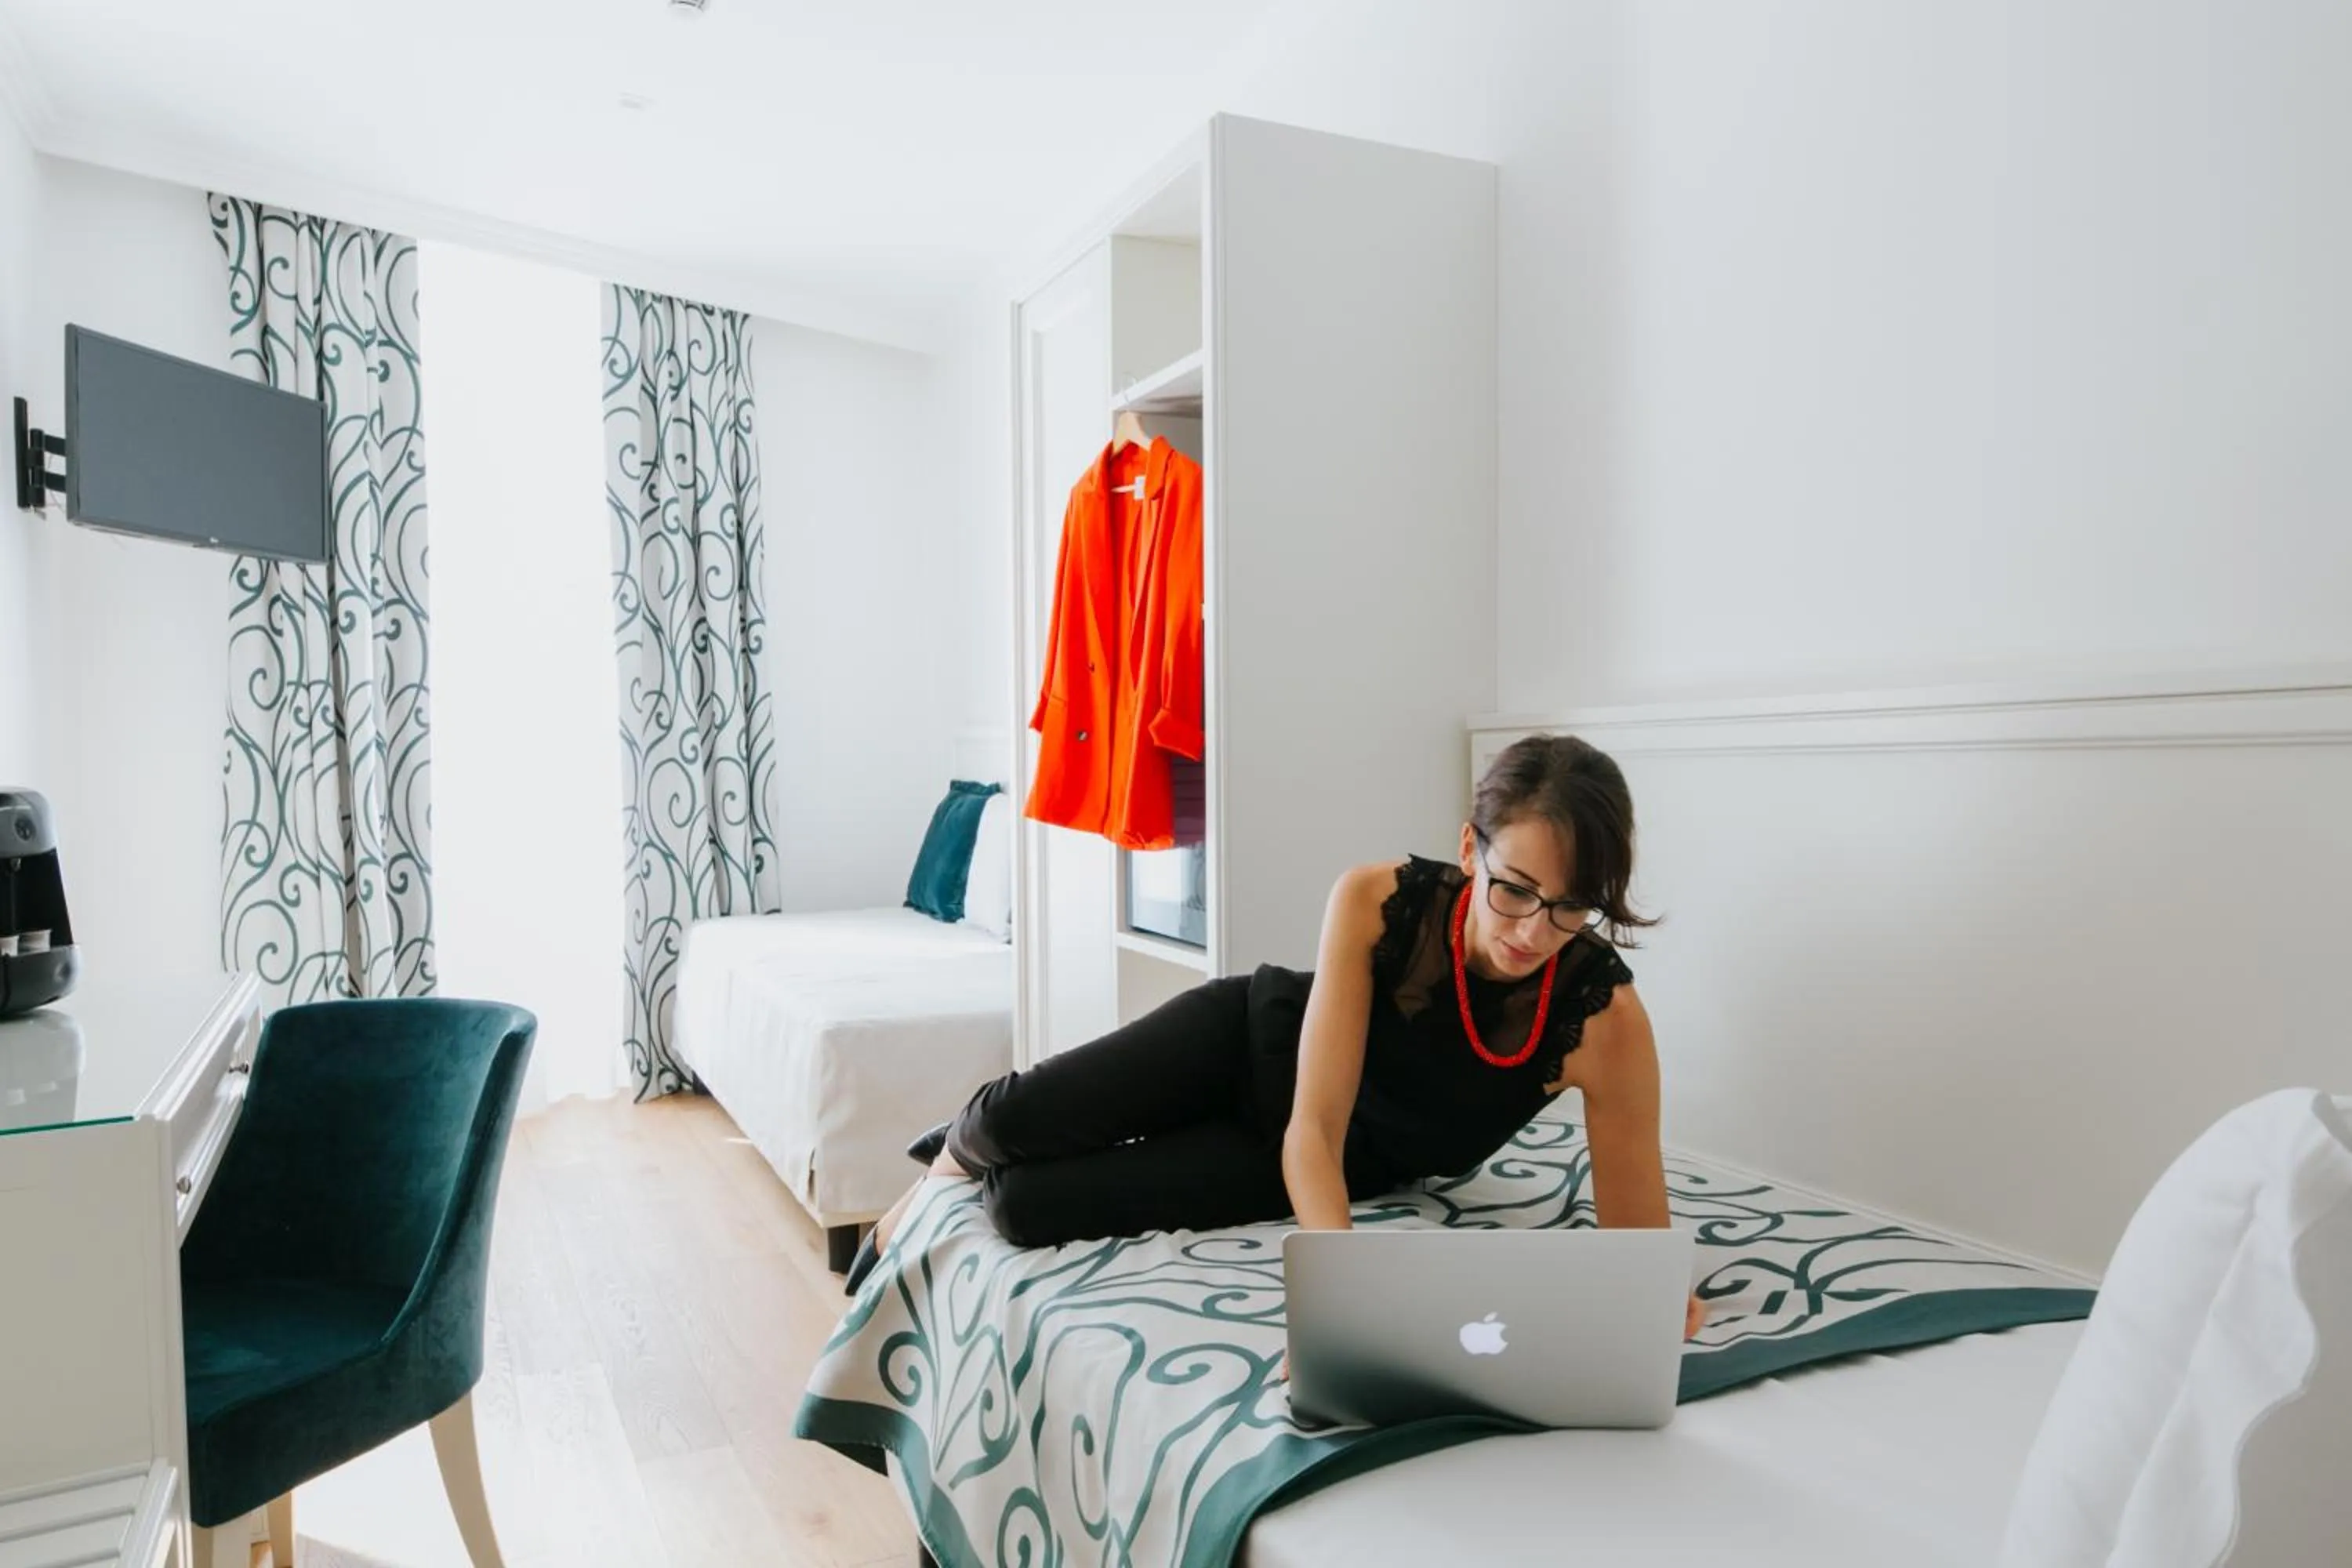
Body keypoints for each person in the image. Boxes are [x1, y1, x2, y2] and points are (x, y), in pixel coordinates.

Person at [849, 732, 1707, 1341]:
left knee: (1024, 1208)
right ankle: (936, 1171)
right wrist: (1343, 1296)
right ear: (1468, 850)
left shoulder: (1605, 1019)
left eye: (1570, 907)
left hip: (1337, 1160)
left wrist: (1658, 1296)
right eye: (1513, 888)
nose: (1532, 930)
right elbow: (1315, 1125)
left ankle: (981, 1162)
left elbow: (1637, 1242)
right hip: (1248, 1047)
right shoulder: (1379, 899)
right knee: (1011, 1121)